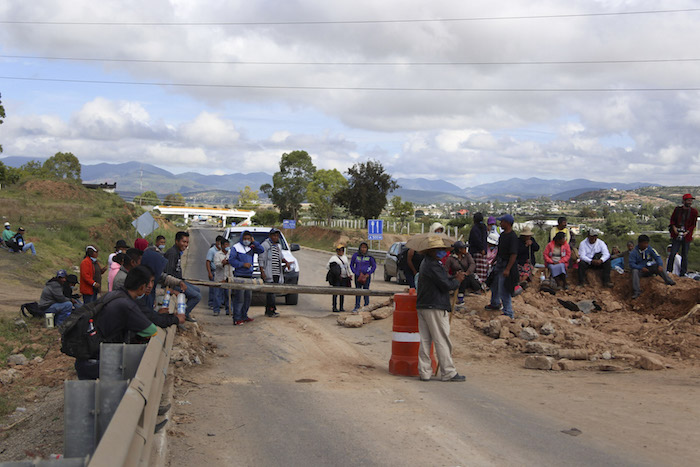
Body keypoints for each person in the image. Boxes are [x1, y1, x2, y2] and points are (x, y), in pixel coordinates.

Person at [74, 266, 160, 380]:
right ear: (142, 287)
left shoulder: (114, 295)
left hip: (86, 357)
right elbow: (152, 331)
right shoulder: (127, 305)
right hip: (98, 362)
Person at [415, 235, 466, 382]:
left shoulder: (428, 264)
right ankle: (448, 372)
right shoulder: (433, 265)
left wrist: (453, 278)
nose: (442, 252)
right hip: (435, 306)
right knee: (441, 339)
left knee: (425, 340)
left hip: (425, 304)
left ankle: (425, 372)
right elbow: (445, 285)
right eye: (439, 250)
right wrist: (456, 281)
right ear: (431, 251)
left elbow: (442, 281)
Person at [135, 238, 188, 310]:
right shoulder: (140, 279)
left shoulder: (152, 273)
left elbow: (164, 277)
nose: (150, 286)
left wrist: (179, 282)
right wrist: (167, 291)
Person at [485, 215, 519, 318]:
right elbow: (500, 251)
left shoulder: (512, 237)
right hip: (499, 263)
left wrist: (507, 269)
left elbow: (513, 254)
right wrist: (494, 261)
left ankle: (508, 313)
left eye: (502, 222)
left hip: (506, 265)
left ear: (507, 223)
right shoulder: (503, 235)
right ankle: (495, 303)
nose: (500, 223)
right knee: (494, 285)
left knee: (504, 289)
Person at [164, 231, 202, 322]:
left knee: (197, 290)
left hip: (179, 281)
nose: (185, 244)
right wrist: (173, 290)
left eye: (187, 242)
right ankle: (183, 315)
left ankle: (184, 311)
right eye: (183, 242)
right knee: (197, 296)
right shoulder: (172, 253)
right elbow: (168, 274)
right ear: (176, 241)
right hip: (174, 283)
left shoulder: (178, 252)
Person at [229, 230, 264, 325]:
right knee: (239, 298)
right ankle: (237, 318)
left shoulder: (251, 247)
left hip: (249, 275)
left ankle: (244, 316)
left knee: (247, 298)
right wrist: (242, 264)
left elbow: (261, 250)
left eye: (248, 239)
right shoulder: (236, 248)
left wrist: (254, 242)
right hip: (239, 275)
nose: (246, 240)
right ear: (241, 238)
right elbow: (231, 260)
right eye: (245, 238)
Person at [630, 235, 675, 299]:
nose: (646, 245)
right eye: (644, 243)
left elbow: (657, 257)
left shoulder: (650, 249)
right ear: (640, 243)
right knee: (634, 271)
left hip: (649, 267)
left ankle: (669, 281)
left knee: (658, 266)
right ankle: (637, 291)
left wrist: (660, 265)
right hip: (640, 270)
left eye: (647, 243)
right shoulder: (634, 252)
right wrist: (640, 268)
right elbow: (632, 264)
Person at [259, 228, 288, 317]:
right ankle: (270, 310)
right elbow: (261, 259)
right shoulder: (265, 245)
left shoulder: (278, 246)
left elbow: (281, 257)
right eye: (274, 235)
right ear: (270, 236)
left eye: (277, 236)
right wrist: (262, 271)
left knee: (273, 291)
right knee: (270, 292)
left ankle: (271, 309)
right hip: (269, 272)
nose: (275, 237)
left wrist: (286, 262)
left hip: (277, 272)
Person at [667, 193, 698, 277]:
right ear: (684, 201)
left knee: (685, 254)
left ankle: (683, 272)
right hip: (676, 234)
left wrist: (687, 232)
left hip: (686, 235)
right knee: (673, 253)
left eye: (691, 200)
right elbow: (672, 220)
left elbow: (693, 224)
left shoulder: (694, 212)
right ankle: (668, 270)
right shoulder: (677, 210)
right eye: (688, 200)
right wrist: (674, 228)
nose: (690, 202)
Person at [350, 242, 377, 312]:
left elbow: (374, 266)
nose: (363, 249)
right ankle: (357, 306)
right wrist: (355, 272)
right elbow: (351, 265)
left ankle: (366, 306)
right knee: (358, 291)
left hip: (366, 277)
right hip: (358, 276)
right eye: (362, 247)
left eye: (365, 247)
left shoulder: (370, 256)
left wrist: (368, 273)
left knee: (366, 291)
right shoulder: (356, 255)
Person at [327, 244, 352, 312]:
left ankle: (341, 307)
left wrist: (350, 274)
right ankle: (334, 307)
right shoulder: (333, 258)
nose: (341, 251)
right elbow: (328, 266)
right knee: (335, 292)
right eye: (339, 250)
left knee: (342, 292)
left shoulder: (345, 257)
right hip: (337, 278)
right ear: (337, 251)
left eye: (342, 250)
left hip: (344, 277)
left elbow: (347, 266)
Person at [213, 238, 232, 316]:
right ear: (222, 246)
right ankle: (216, 310)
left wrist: (229, 262)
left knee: (228, 295)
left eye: (228, 245)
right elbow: (217, 265)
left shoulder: (231, 253)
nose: (227, 246)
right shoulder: (217, 254)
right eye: (225, 245)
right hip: (219, 277)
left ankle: (228, 310)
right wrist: (223, 263)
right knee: (217, 295)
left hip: (229, 277)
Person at [469, 212, 489, 284]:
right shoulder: (484, 227)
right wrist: (483, 249)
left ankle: (477, 285)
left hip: (476, 252)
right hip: (483, 252)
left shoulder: (475, 229)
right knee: (482, 271)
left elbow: (476, 240)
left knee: (476, 270)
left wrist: (481, 249)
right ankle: (482, 284)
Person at [206, 236, 223, 309]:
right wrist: (209, 273)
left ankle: (219, 303)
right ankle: (211, 303)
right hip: (214, 271)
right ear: (216, 242)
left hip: (221, 272)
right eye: (219, 242)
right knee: (213, 289)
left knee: (220, 289)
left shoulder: (223, 251)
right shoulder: (212, 251)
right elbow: (208, 262)